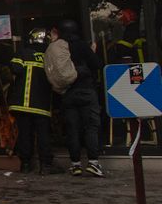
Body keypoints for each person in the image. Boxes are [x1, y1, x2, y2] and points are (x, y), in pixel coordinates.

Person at [8, 30, 63, 174]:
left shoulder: (23, 53)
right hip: (42, 104)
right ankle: (46, 165)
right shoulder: (49, 56)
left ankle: (26, 164)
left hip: (23, 103)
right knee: (43, 134)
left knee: (25, 133)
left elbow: (15, 68)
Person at [54, 20, 104, 177]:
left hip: (68, 92)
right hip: (86, 90)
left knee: (72, 129)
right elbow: (97, 64)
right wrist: (92, 52)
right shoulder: (82, 46)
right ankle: (93, 163)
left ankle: (75, 164)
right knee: (91, 127)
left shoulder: (59, 48)